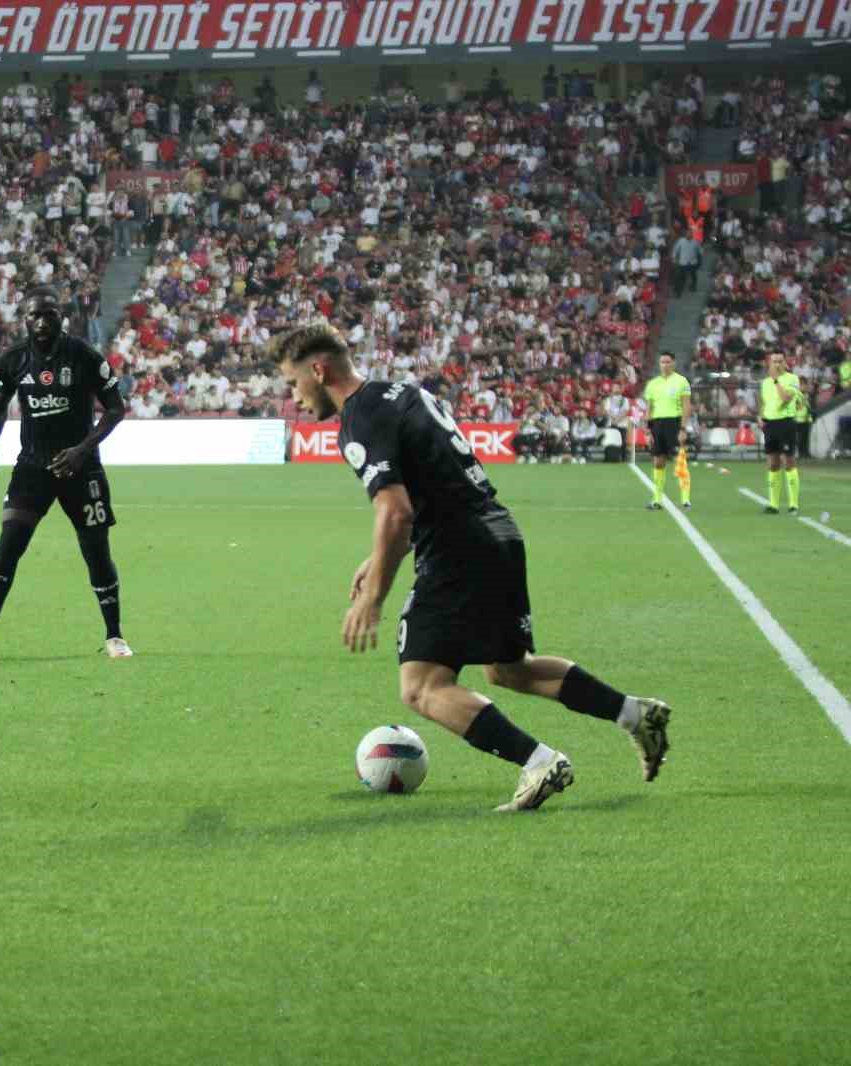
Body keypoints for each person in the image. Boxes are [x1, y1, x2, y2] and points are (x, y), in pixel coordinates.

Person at [271, 323, 671, 812]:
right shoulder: (402, 393)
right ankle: (635, 713)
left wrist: (374, 597)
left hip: (458, 548)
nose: (294, 397)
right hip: (496, 531)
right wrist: (380, 556)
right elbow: (430, 484)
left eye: (293, 383)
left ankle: (539, 761)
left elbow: (395, 511)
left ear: (319, 370)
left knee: (421, 686)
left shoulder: (359, 418)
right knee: (507, 669)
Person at [0, 286, 132, 660]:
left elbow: (117, 408)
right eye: (34, 314)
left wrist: (82, 449)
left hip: (82, 468)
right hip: (32, 466)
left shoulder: (84, 356)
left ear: (60, 317)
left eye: (49, 313)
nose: (41, 321)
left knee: (96, 553)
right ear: (25, 319)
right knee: (9, 545)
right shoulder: (12, 361)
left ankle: (115, 636)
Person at [642, 351, 693, 510]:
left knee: (681, 461)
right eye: (662, 362)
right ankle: (657, 499)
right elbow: (649, 409)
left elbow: (686, 405)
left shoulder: (681, 381)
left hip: (675, 422)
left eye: (668, 362)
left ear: (674, 363)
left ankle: (685, 499)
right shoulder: (652, 384)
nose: (665, 365)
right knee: (658, 461)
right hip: (658, 424)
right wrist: (648, 430)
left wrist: (683, 428)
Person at [759, 351, 804, 514]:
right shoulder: (764, 382)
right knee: (772, 464)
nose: (777, 364)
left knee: (788, 462)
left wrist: (776, 380)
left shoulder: (792, 379)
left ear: (785, 362)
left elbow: (785, 398)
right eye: (774, 361)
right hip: (770, 425)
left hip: (785, 424)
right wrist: (761, 416)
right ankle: (773, 504)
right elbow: (765, 402)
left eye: (780, 361)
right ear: (769, 363)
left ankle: (793, 504)